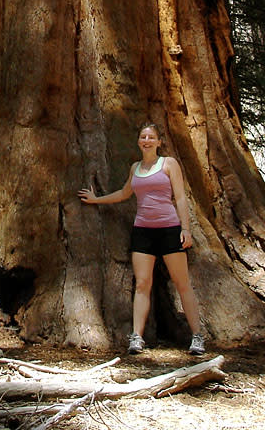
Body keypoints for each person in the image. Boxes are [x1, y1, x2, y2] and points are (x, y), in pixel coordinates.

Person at [79, 123, 205, 355]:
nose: (146, 140)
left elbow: (180, 198)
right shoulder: (135, 168)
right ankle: (136, 337)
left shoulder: (168, 164)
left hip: (169, 230)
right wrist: (96, 199)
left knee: (182, 283)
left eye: (151, 137)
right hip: (143, 232)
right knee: (142, 284)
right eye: (143, 136)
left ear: (158, 142)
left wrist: (185, 230)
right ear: (139, 141)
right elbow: (124, 194)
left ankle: (197, 337)